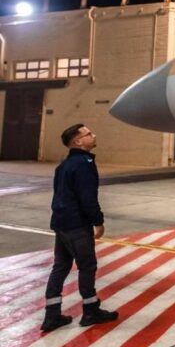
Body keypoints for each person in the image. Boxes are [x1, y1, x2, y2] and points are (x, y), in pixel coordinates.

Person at [42, 124, 118, 332]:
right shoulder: (84, 164)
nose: (94, 135)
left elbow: (59, 194)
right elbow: (88, 198)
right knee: (87, 266)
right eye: (88, 134)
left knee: (60, 266)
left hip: (61, 222)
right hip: (76, 224)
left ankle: (52, 315)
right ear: (77, 142)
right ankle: (91, 311)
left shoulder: (64, 165)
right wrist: (98, 221)